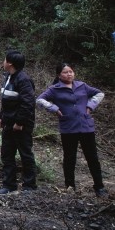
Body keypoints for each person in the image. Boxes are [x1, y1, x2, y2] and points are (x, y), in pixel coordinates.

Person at [36, 62, 107, 197]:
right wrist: (54, 109)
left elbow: (99, 94)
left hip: (86, 126)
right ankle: (70, 186)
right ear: (59, 75)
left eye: (71, 71)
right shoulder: (55, 89)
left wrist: (90, 106)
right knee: (70, 158)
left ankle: (99, 186)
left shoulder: (82, 86)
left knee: (92, 157)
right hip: (68, 127)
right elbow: (40, 100)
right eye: (65, 72)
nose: (69, 74)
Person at [0, 50, 37, 194]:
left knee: (25, 154)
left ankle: (29, 185)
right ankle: (9, 185)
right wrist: (1, 116)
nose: (3, 62)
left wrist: (19, 123)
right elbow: (5, 100)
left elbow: (28, 103)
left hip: (21, 126)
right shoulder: (8, 77)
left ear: (10, 63)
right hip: (8, 123)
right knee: (7, 154)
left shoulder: (24, 79)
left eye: (4, 59)